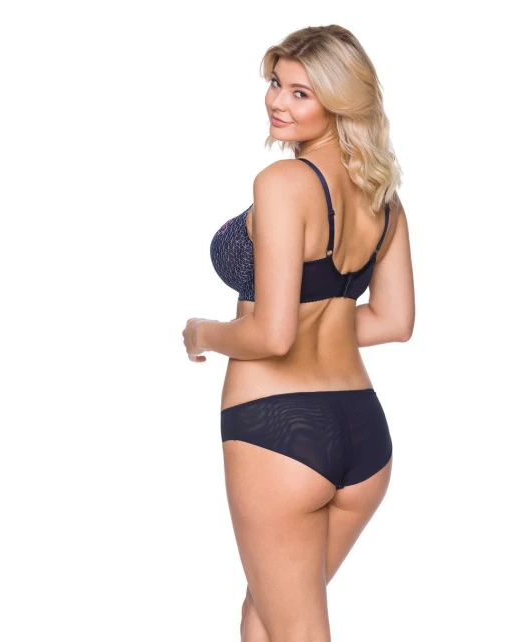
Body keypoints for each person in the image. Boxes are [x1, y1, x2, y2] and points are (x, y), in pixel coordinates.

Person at [182, 24, 415, 642]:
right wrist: (324, 324)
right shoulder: (383, 198)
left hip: (280, 433)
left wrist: (203, 332)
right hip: (363, 434)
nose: (277, 102)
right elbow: (393, 321)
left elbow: (273, 336)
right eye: (275, 83)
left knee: (295, 629)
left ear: (341, 100)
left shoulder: (283, 184)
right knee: (263, 615)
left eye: (300, 93)